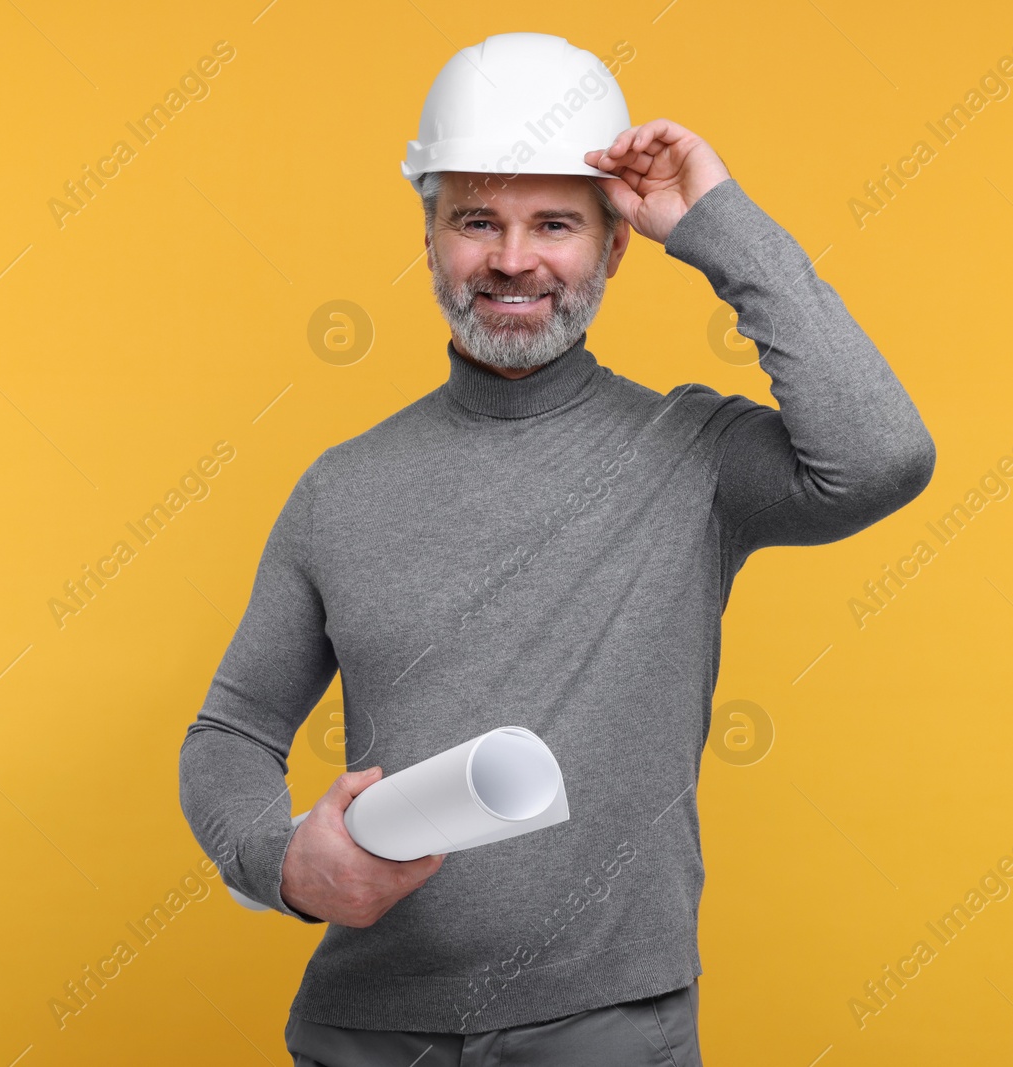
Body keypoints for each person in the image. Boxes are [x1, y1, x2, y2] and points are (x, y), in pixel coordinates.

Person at [178, 31, 936, 1066]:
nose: (512, 258)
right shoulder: (340, 487)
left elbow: (882, 453)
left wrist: (713, 222)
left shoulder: (697, 458)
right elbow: (230, 732)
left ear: (616, 243)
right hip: (365, 1032)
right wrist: (285, 866)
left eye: (555, 224)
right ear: (431, 234)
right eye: (476, 219)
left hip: (609, 1031)